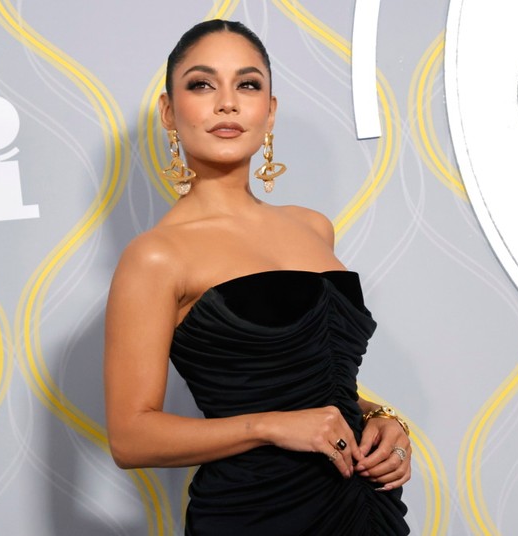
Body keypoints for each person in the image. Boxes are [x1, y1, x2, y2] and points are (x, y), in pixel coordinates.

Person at [104, 19, 411, 535]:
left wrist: (383, 421)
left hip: (363, 505)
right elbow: (130, 438)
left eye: (247, 85)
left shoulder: (314, 227)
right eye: (202, 84)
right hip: (257, 513)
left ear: (269, 111)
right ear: (168, 111)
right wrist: (268, 427)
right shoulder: (156, 256)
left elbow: (313, 378)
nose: (227, 103)